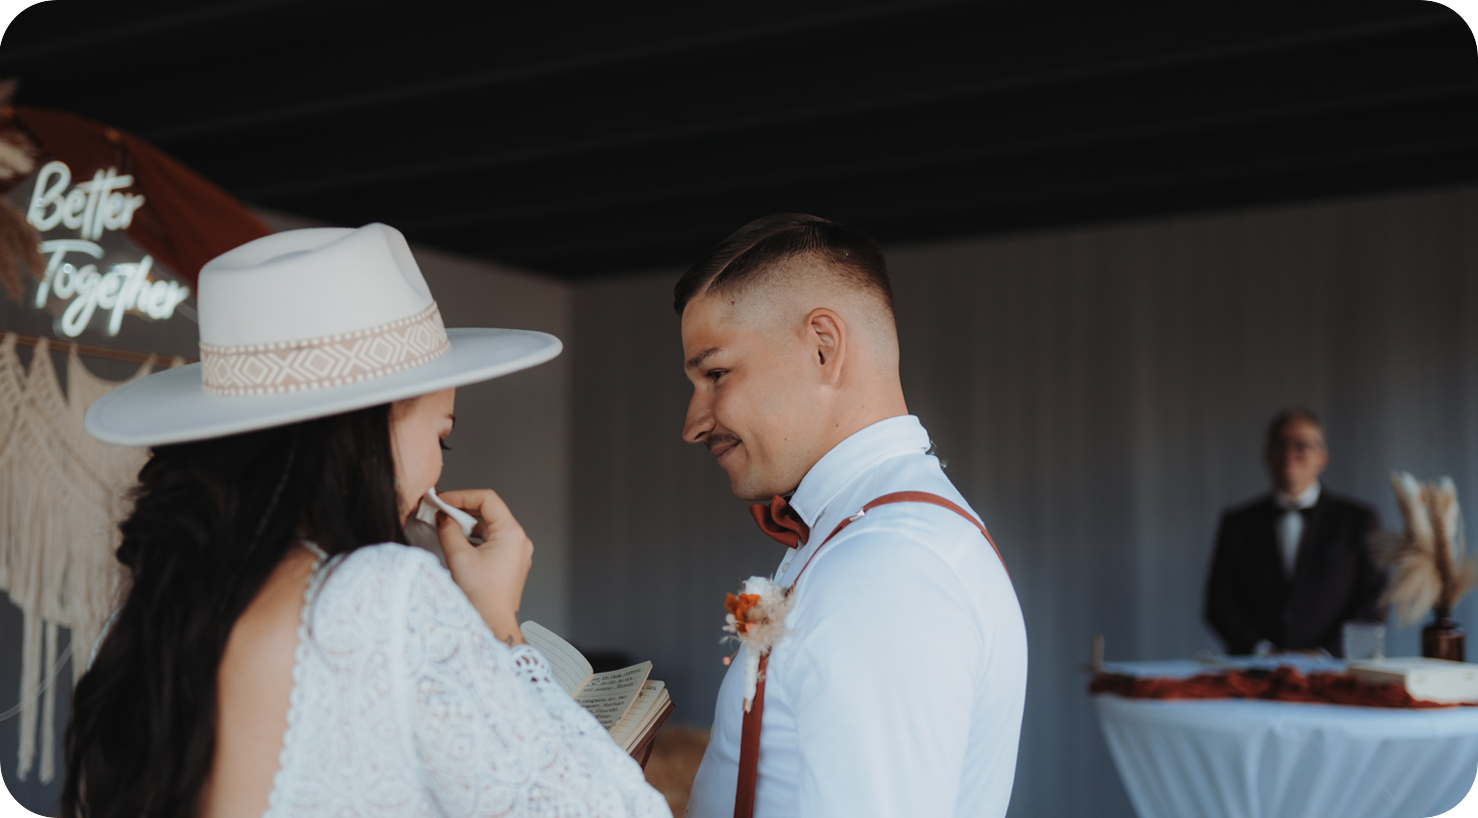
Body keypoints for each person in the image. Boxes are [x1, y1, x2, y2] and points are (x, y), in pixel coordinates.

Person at [65, 224, 668, 818]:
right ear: (372, 433)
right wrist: (500, 627)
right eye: (442, 436)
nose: (435, 473)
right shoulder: (381, 594)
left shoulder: (140, 621)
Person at [676, 214, 1027, 818]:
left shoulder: (890, 572)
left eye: (715, 374)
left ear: (823, 347)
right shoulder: (870, 538)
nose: (693, 424)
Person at [1204, 408, 1386, 656]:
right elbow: (1219, 605)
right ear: (1267, 456)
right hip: (1254, 672)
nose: (1289, 453)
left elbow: (1375, 599)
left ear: (1322, 457)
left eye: (1301, 445)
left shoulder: (1357, 520)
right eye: (1280, 444)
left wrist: (1325, 652)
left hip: (1336, 670)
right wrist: (1262, 650)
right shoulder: (1238, 523)